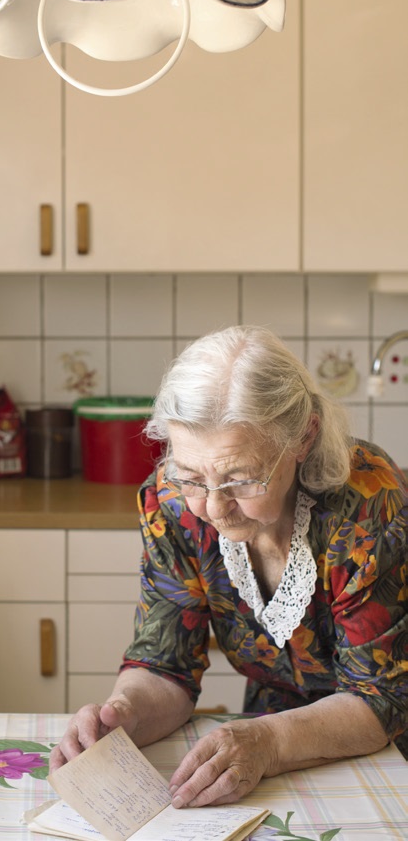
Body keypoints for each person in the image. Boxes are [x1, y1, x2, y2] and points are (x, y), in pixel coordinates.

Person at [51, 325, 408, 807]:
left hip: (384, 753)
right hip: (263, 744)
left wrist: (269, 742)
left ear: (304, 438)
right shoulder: (172, 503)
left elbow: (380, 697)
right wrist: (124, 713)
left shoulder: (367, 506)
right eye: (192, 476)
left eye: (240, 479)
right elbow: (164, 665)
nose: (214, 510)